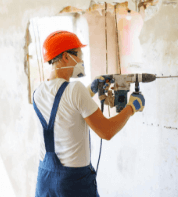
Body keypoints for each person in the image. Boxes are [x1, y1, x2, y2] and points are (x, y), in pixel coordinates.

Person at [32, 30, 145, 197]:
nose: (81, 61)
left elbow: (65, 107)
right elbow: (106, 132)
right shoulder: (75, 89)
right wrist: (131, 107)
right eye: (79, 55)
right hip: (73, 183)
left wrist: (91, 90)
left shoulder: (38, 91)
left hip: (45, 179)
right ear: (65, 57)